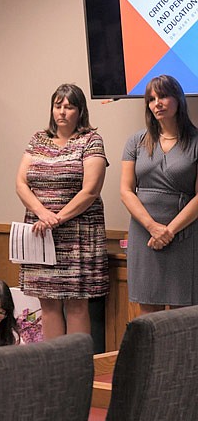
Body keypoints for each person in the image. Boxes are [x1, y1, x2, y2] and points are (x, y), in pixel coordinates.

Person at [15, 84, 109, 339]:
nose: (62, 112)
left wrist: (56, 218)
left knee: (76, 302)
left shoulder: (90, 140)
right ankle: (55, 368)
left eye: (69, 107)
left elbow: (90, 190)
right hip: (41, 232)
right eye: (58, 106)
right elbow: (21, 183)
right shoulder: (38, 139)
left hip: (77, 234)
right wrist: (42, 213)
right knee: (47, 302)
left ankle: (77, 367)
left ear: (80, 111)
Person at [120, 74, 198, 314]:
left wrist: (169, 231)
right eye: (151, 99)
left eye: (163, 96)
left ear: (178, 100)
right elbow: (125, 190)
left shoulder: (196, 141)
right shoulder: (136, 141)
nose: (157, 103)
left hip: (184, 234)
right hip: (144, 234)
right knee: (148, 316)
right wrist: (153, 227)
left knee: (183, 315)